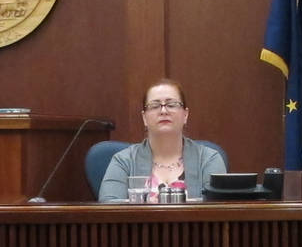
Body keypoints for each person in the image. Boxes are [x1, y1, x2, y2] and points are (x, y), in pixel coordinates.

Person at [97, 78, 228, 201]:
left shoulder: (208, 159)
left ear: (185, 115)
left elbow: (218, 210)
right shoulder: (123, 161)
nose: (163, 111)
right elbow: (109, 207)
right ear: (144, 118)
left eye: (172, 104)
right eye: (154, 106)